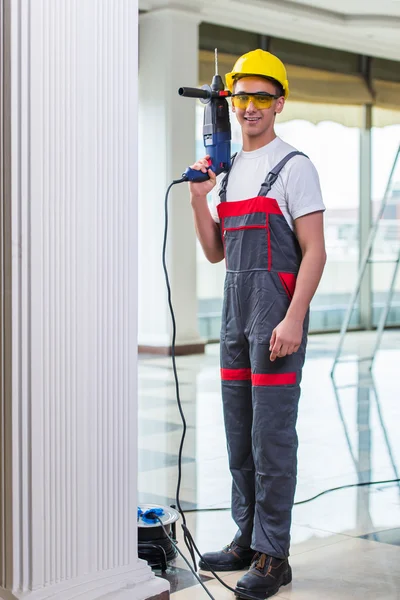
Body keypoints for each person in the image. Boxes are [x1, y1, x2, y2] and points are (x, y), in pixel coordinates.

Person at [189, 49, 327, 599]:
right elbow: (214, 252)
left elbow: (315, 251)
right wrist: (201, 200)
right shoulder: (227, 173)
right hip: (234, 320)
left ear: (279, 102)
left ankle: (275, 556)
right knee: (239, 435)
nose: (249, 107)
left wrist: (294, 319)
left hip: (276, 322)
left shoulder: (295, 167)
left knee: (271, 438)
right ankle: (247, 537)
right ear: (231, 102)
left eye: (261, 98)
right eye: (241, 96)